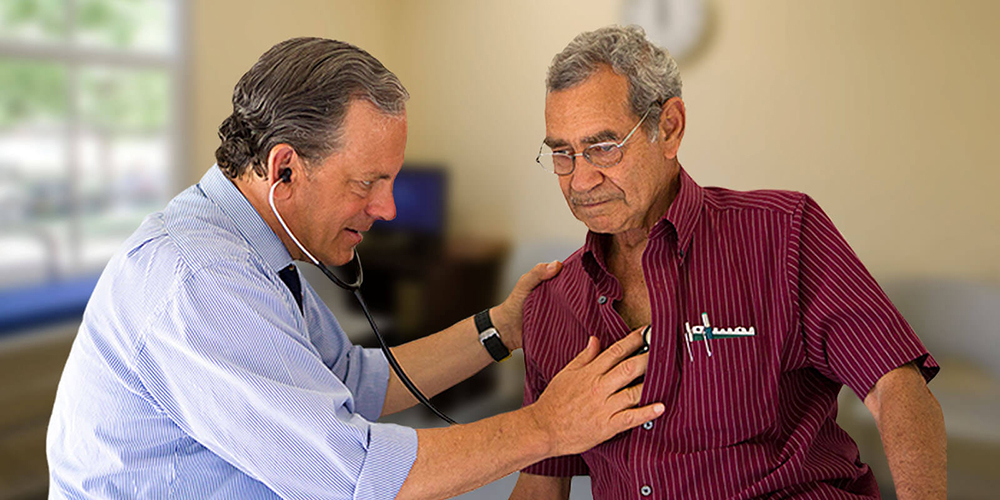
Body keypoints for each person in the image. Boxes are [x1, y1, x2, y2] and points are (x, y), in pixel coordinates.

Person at [45, 37, 666, 500]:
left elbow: (351, 378)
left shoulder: (251, 252)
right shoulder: (201, 280)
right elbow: (355, 477)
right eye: (367, 183)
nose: (388, 209)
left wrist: (501, 327)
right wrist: (548, 427)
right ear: (284, 168)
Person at [511, 25, 946, 500]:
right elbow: (541, 483)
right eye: (562, 154)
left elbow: (894, 386)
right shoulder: (550, 304)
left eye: (603, 147)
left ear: (669, 128)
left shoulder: (784, 232)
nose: (580, 181)